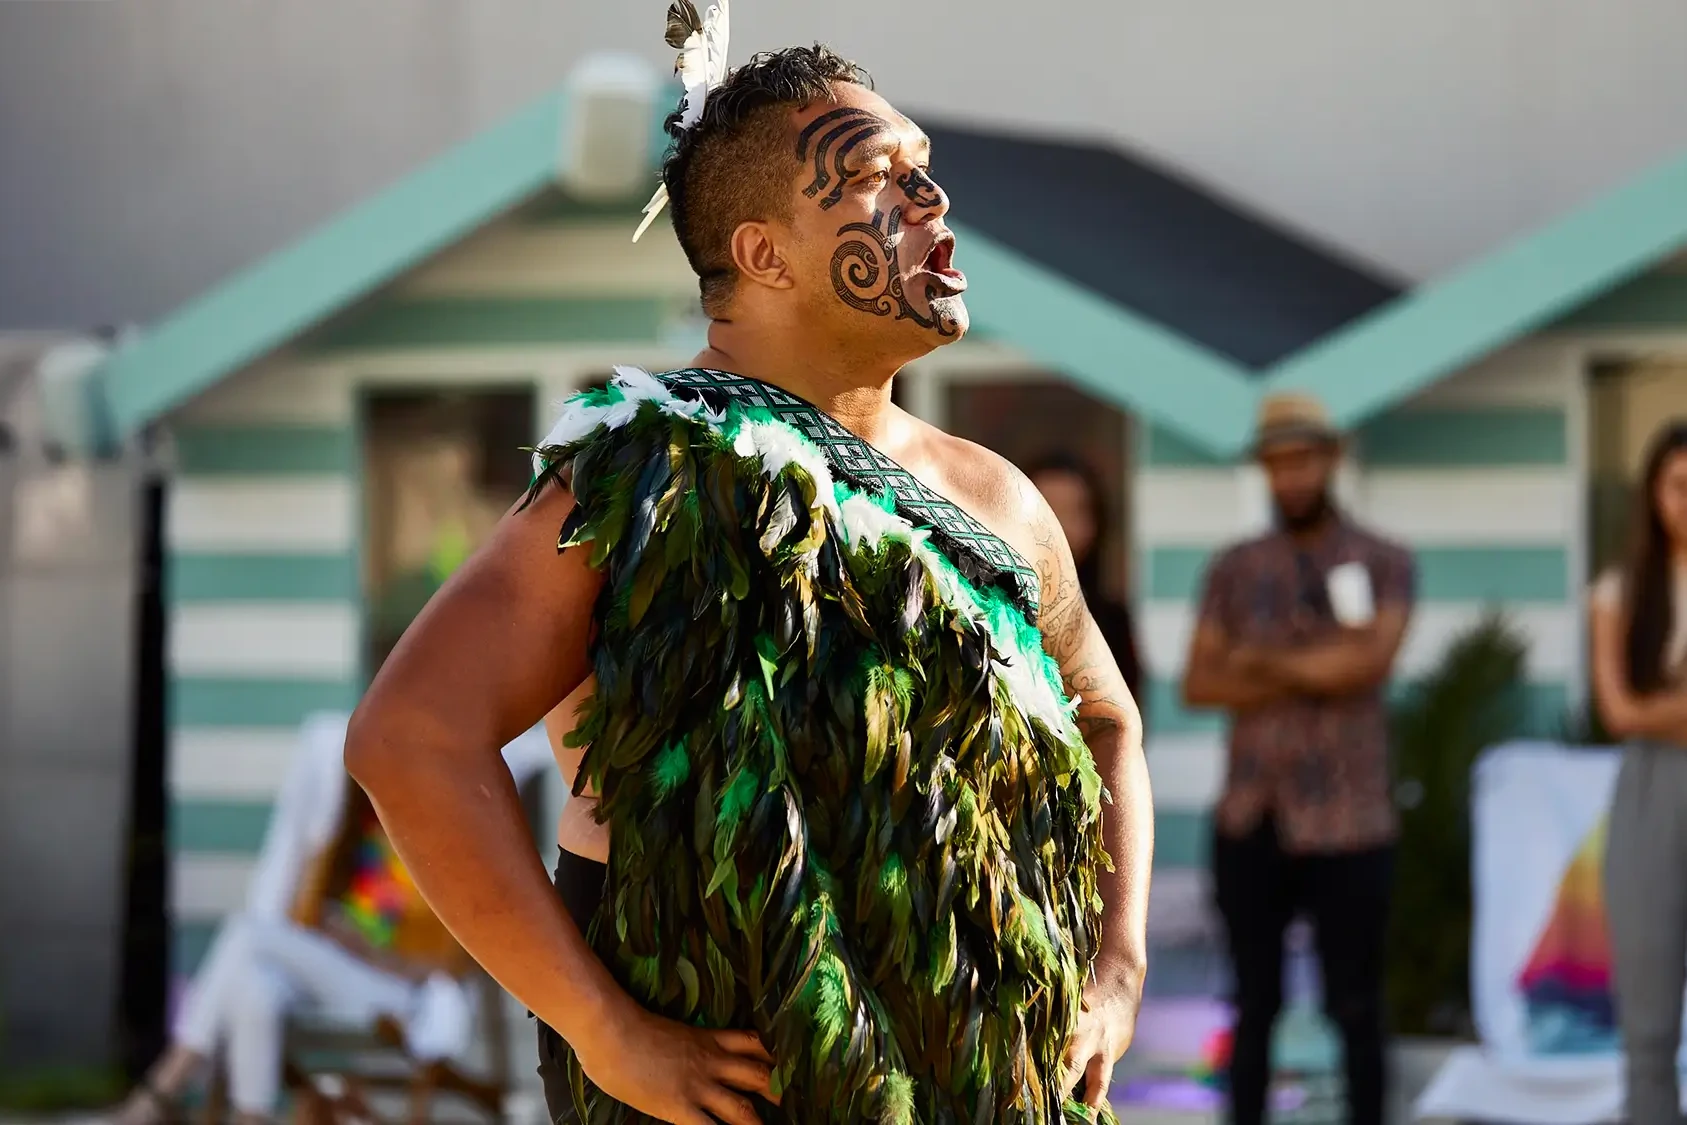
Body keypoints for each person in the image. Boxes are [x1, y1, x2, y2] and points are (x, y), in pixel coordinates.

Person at [344, 18, 1153, 1125]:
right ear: (764, 254)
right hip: (728, 1078)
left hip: (990, 1075)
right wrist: (604, 1030)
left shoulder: (997, 496)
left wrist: (1116, 969)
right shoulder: (641, 477)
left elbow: (1106, 716)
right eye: (876, 176)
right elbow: (409, 739)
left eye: (924, 169)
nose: (930, 202)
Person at [101, 714, 552, 1125]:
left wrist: (365, 950)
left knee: (245, 936)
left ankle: (167, 1084)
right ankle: (247, 1117)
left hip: (400, 994)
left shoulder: (450, 855)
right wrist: (335, 931)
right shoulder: (370, 838)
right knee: (254, 986)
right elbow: (312, 915)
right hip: (342, 975)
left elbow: (448, 968)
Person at [1180, 392, 1414, 1125]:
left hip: (1351, 817)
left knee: (1355, 1002)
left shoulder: (1382, 561)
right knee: (1252, 1004)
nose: (1289, 477)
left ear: (1329, 459)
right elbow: (1198, 681)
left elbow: (1365, 667)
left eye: (1301, 460)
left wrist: (1256, 657)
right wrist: (1313, 661)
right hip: (1253, 813)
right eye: (1276, 464)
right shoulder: (1232, 567)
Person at [1590, 420, 1687, 1125]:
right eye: (1679, 486)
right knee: (1647, 1021)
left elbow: (1640, 702)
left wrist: (1662, 703)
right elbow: (1618, 710)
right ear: (1653, 493)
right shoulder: (1622, 588)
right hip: (1652, 792)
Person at [1027, 453, 1146, 714]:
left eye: (1076, 511)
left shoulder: (1112, 621)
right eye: (1048, 510)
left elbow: (1124, 720)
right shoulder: (985, 611)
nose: (1062, 527)